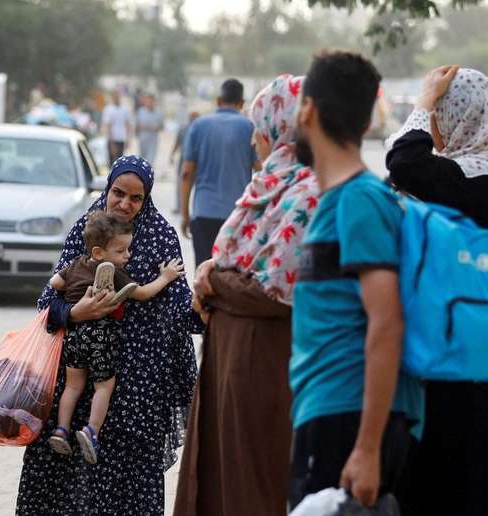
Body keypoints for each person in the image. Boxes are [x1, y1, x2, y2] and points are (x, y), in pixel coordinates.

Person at [17, 155, 202, 515]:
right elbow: (47, 300)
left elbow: (179, 309)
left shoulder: (162, 237)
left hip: (137, 387)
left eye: (136, 198)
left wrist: (212, 309)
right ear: (108, 188)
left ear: (146, 198)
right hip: (79, 372)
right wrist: (73, 313)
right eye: (118, 193)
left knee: (126, 486)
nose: (125, 204)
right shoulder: (89, 229)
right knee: (65, 479)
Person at [174, 74, 320, 516]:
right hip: (233, 362)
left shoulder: (309, 190)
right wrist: (211, 276)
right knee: (223, 478)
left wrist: (213, 281)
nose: (256, 138)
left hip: (267, 367)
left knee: (253, 483)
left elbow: (276, 289)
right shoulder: (270, 185)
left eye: (262, 126)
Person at [288, 51, 423, 509]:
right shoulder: (344, 200)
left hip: (348, 419)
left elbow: (386, 323)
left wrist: (366, 449)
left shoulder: (359, 200)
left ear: (308, 110)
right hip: (331, 412)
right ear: (366, 124)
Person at [385, 66, 488, 516]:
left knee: (436, 475)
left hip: (448, 355)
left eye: (440, 115)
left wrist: (422, 100)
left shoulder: (456, 182)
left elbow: (401, 160)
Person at [47, 211, 185, 464]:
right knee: (104, 386)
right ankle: (91, 430)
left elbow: (55, 283)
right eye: (121, 251)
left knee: (73, 386)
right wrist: (165, 277)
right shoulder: (111, 272)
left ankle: (61, 430)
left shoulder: (76, 263)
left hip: (75, 337)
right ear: (100, 254)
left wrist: (73, 291)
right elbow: (141, 293)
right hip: (101, 337)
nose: (127, 256)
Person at [180, 78, 260, 266]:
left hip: (203, 212)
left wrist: (185, 214)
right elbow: (261, 168)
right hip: (237, 216)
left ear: (218, 101)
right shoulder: (249, 127)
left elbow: (186, 173)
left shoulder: (198, 126)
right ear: (242, 103)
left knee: (203, 275)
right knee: (232, 278)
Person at [170, 111, 199, 214]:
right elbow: (177, 143)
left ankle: (184, 208)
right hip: (186, 160)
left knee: (185, 184)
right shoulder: (184, 129)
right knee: (181, 184)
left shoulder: (200, 130)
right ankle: (181, 208)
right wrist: (172, 155)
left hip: (193, 162)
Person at [102, 91, 133, 167]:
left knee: (120, 161)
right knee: (112, 161)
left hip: (121, 138)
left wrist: (128, 138)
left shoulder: (125, 109)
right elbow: (107, 125)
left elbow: (128, 124)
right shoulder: (109, 109)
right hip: (112, 139)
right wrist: (111, 141)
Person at [135, 93, 163, 166]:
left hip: (153, 141)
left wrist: (154, 127)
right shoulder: (140, 112)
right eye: (147, 101)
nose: (149, 103)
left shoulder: (158, 112)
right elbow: (137, 125)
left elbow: (161, 126)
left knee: (150, 161)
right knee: (142, 161)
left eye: (151, 101)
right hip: (143, 140)